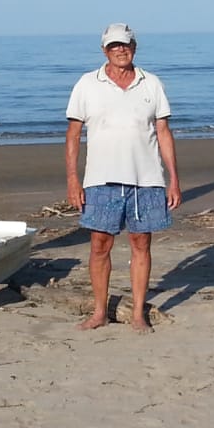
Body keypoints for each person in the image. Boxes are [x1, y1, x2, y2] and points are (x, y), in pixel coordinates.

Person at [65, 23, 181, 332]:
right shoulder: (87, 84)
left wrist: (173, 179)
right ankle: (99, 312)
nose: (120, 49)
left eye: (125, 44)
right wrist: (73, 180)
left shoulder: (151, 83)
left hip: (146, 179)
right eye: (114, 45)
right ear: (104, 49)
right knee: (99, 245)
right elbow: (73, 135)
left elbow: (163, 132)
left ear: (134, 46)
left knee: (141, 243)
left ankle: (138, 314)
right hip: (101, 179)